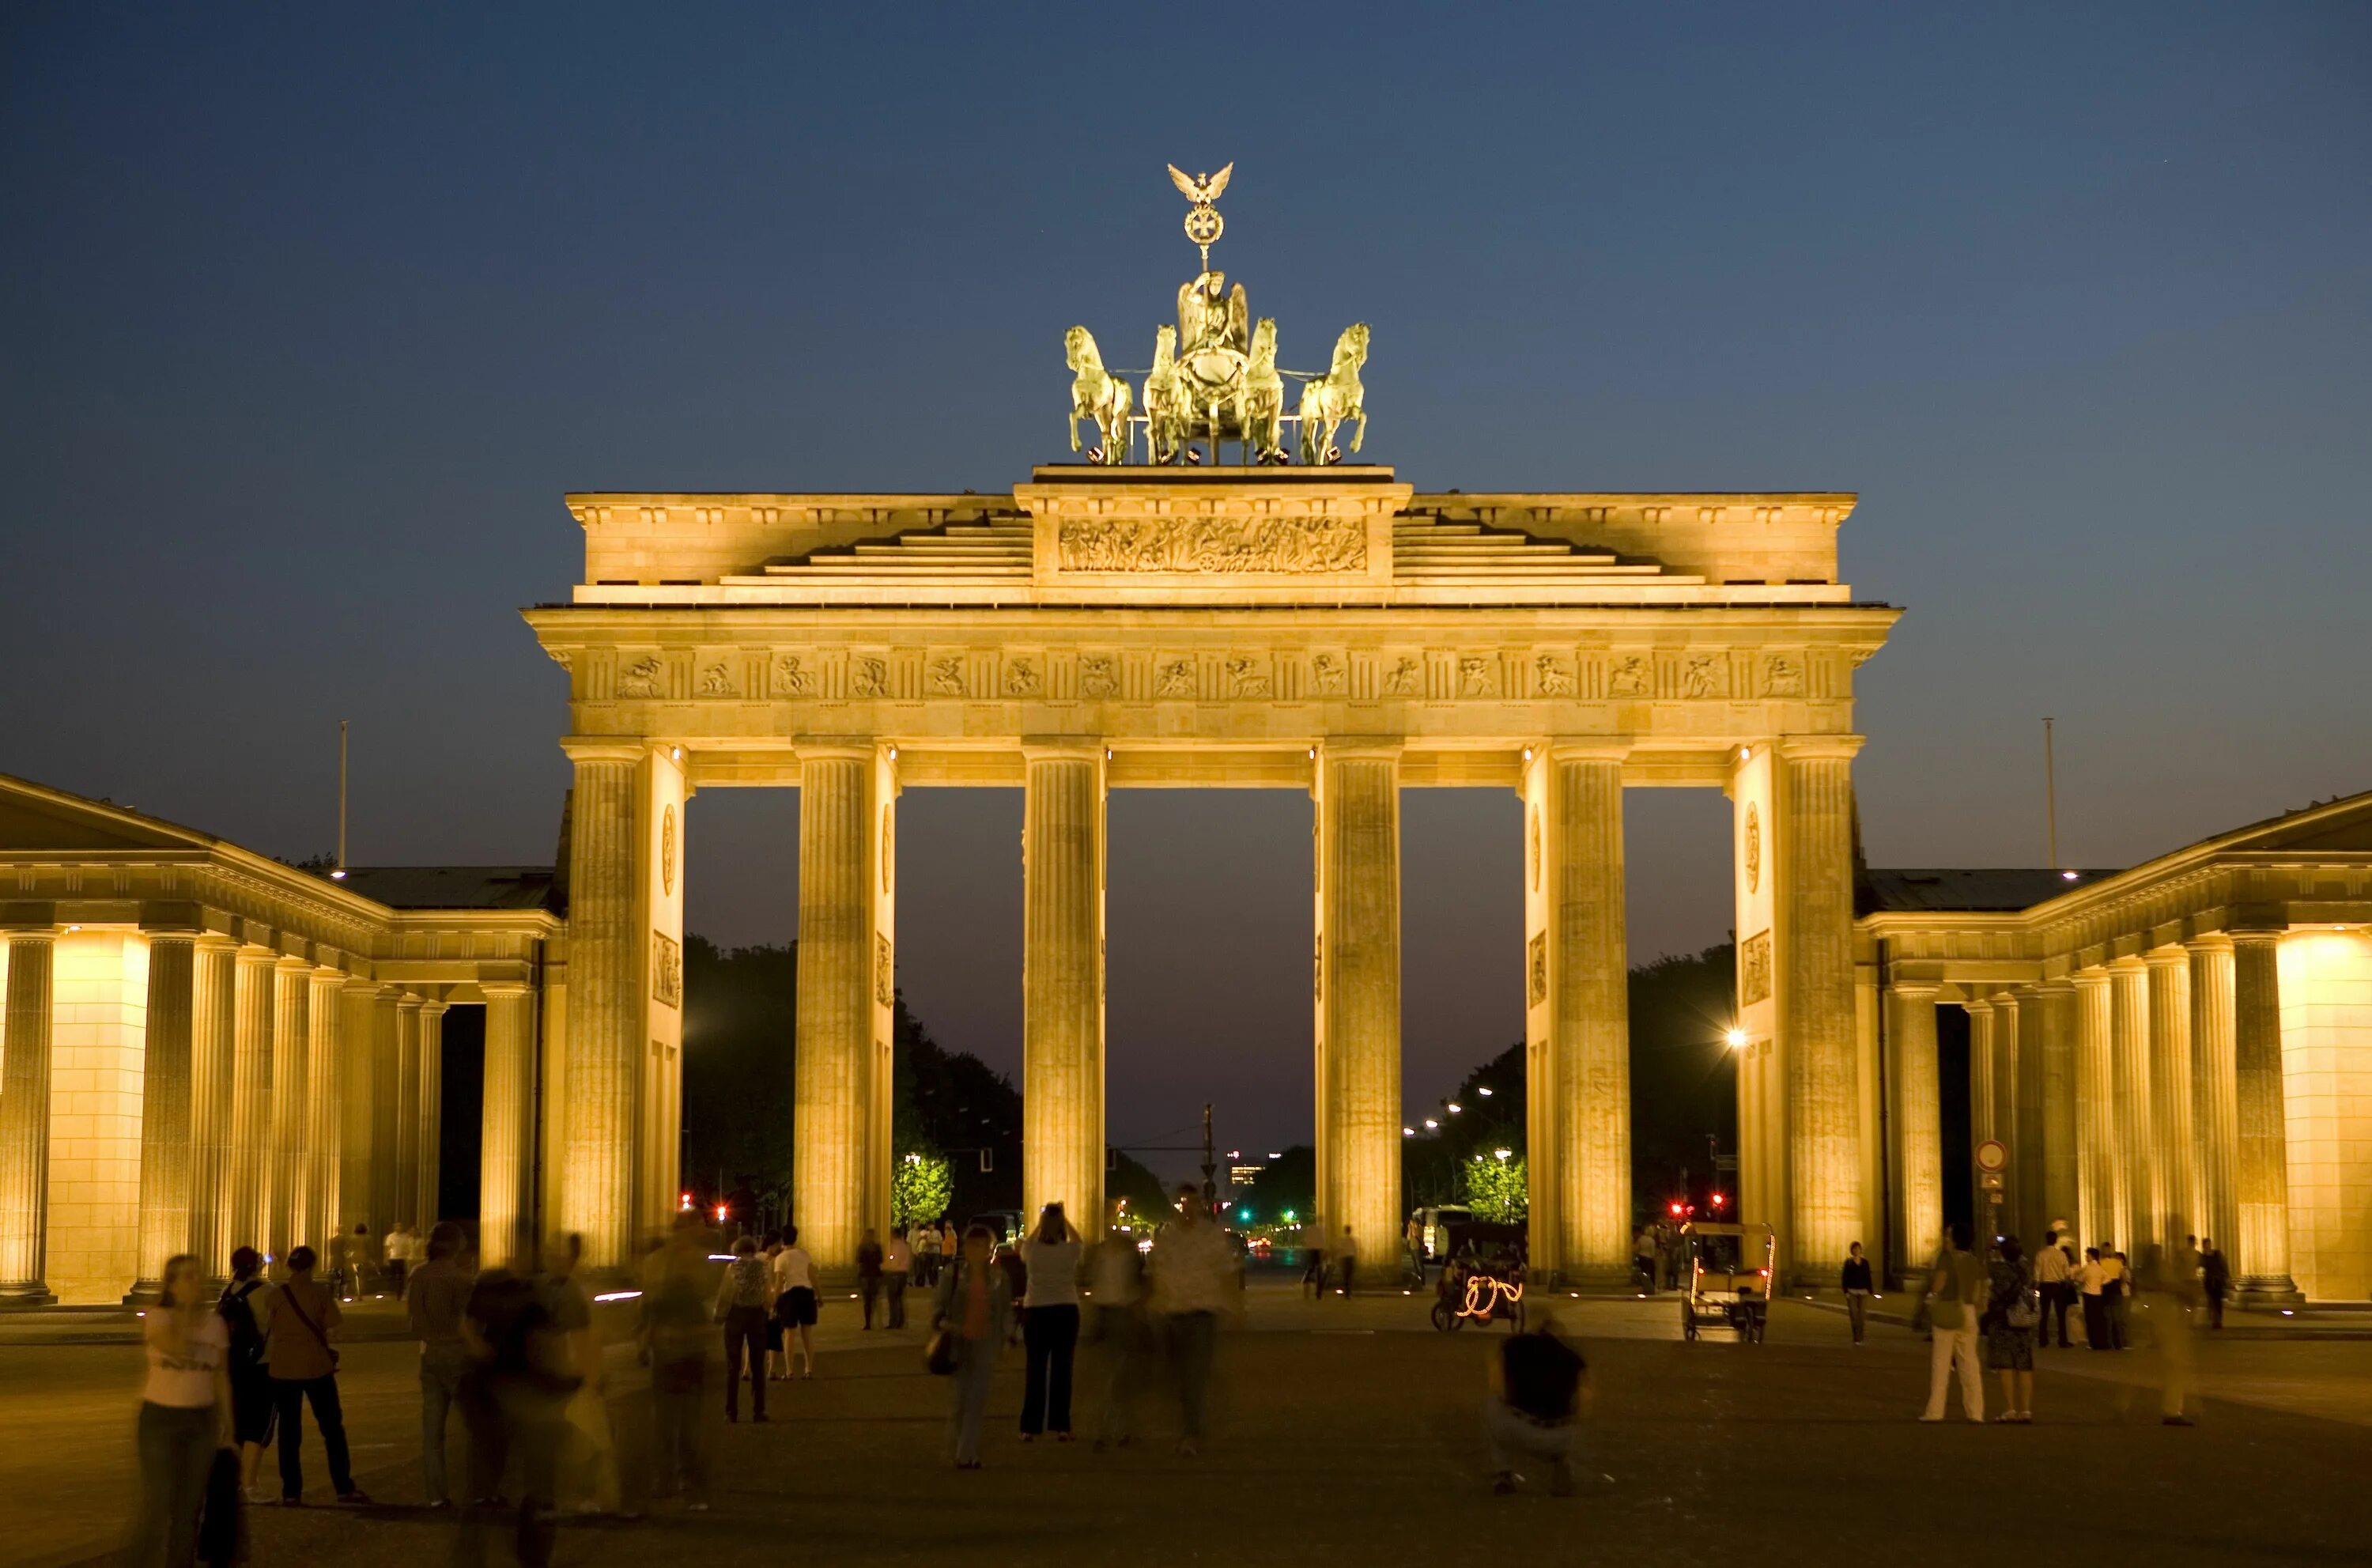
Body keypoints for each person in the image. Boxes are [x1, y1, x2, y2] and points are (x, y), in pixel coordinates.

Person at [456, 1264, 577, 1566]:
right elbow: (549, 1345)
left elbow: (467, 1328)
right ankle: (533, 1549)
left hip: (491, 1391)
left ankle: (473, 1547)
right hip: (525, 1393)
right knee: (537, 1476)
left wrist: (482, 1353)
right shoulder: (535, 1302)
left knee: (487, 1474)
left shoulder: (486, 1295)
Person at [125, 1253, 233, 1568]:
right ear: (171, 1285)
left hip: (201, 1420)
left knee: (189, 1509)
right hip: (160, 1418)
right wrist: (186, 1309)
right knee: (158, 1505)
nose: (196, 1282)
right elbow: (176, 1347)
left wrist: (230, 1427)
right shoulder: (158, 1317)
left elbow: (222, 1376)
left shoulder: (215, 1324)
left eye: (198, 1275)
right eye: (187, 1276)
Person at [258, 1245, 368, 1504]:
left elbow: (269, 1325)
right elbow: (333, 1328)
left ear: (290, 1267)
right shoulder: (319, 1292)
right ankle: (343, 1486)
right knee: (332, 1429)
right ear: (311, 1266)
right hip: (315, 1367)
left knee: (289, 1431)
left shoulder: (276, 1295)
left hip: (283, 1368)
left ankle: (291, 1492)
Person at [1149, 1183, 1241, 1457]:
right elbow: (1156, 1272)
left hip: (1202, 1315)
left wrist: (1235, 1305)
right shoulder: (1167, 1238)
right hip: (1172, 1316)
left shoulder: (1212, 1236)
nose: (1186, 1206)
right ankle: (1190, 1424)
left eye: (1190, 1201)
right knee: (1176, 1377)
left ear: (1199, 1204)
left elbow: (1227, 1273)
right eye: (1181, 1201)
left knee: (1193, 1377)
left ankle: (1191, 1432)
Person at [540, 1232, 618, 1515]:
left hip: (566, 1374)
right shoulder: (572, 1288)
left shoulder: (558, 1288)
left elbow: (584, 1337)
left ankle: (578, 1495)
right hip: (568, 1375)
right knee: (587, 1439)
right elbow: (588, 1337)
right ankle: (587, 1496)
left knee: (578, 1439)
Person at [641, 1215, 712, 1510]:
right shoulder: (669, 1261)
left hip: (685, 1348)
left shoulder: (685, 1260)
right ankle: (673, 1478)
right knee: (670, 1421)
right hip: (674, 1347)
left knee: (685, 1422)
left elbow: (699, 1298)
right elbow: (650, 1303)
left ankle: (683, 1480)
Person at [405, 1220, 474, 1509]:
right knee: (474, 1426)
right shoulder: (462, 1279)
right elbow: (469, 1323)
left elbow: (414, 1323)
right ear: (457, 1246)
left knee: (432, 1432)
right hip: (458, 1354)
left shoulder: (419, 1276)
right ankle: (478, 1490)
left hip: (430, 1353)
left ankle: (436, 1495)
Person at [931, 1223, 1013, 1469]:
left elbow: (1005, 1310)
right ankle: (958, 1447)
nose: (977, 1250)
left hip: (985, 1344)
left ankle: (966, 1453)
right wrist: (950, 1327)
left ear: (990, 1250)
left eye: (982, 1246)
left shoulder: (1000, 1277)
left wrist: (1007, 1337)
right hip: (958, 1343)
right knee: (959, 1401)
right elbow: (938, 1310)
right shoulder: (952, 1274)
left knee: (976, 1400)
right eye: (972, 1245)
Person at [1486, 1317, 1588, 1496]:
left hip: (1520, 1429)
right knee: (1573, 1422)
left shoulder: (1514, 1347)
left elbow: (1497, 1387)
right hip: (1560, 1436)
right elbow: (1586, 1403)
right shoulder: (1573, 1358)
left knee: (1493, 1404)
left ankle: (1503, 1473)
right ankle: (1561, 1463)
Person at [1017, 1202, 1083, 1441]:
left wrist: (1041, 1222)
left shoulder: (1032, 1250)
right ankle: (1061, 1425)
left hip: (1036, 1312)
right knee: (1062, 1370)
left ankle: (1029, 1427)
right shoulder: (1069, 1251)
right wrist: (1064, 1219)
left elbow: (1026, 1244)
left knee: (1035, 1370)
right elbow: (1079, 1241)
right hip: (1066, 1311)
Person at [216, 1246, 274, 1503]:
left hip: (233, 1363)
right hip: (261, 1364)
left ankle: (229, 1481)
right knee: (259, 1425)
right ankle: (250, 1483)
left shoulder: (227, 1291)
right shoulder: (267, 1292)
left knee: (236, 1423)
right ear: (258, 1266)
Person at [1918, 1222, 1985, 1423]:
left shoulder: (1946, 1259)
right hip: (1969, 1312)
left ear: (1955, 1240)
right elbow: (1980, 1292)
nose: (1945, 1239)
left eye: (1948, 1236)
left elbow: (1939, 1283)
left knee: (1941, 1364)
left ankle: (1935, 1411)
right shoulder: (1974, 1261)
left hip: (1948, 1310)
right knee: (1970, 1364)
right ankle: (1975, 1412)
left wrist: (1931, 1298)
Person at [2147, 1232, 2202, 1426]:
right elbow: (2170, 1290)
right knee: (2176, 1367)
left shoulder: (2157, 1274)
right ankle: (2172, 1411)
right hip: (2169, 1328)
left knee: (2175, 1367)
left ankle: (2173, 1409)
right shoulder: (2162, 1274)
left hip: (2167, 1327)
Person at [716, 1235, 772, 1422]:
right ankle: (759, 1410)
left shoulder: (734, 1267)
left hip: (736, 1316)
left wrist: (720, 1315)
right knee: (758, 1365)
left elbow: (726, 1293)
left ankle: (731, 1411)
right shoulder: (763, 1267)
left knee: (733, 1366)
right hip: (756, 1315)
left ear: (737, 1250)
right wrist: (767, 1309)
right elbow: (767, 1293)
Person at [1982, 1235, 2036, 1422]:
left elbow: (1985, 1271)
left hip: (2002, 1320)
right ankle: (2026, 1410)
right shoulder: (2025, 1269)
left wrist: (1989, 1251)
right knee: (2025, 1366)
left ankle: (2010, 1409)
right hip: (2022, 1320)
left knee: (2006, 1366)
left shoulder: (1997, 1270)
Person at [772, 1224, 818, 1377]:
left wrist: (774, 1301)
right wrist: (820, 1296)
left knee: (789, 1334)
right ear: (796, 1238)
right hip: (807, 1293)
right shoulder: (805, 1255)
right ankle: (809, 1369)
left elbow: (779, 1283)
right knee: (807, 1333)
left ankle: (789, 1370)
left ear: (782, 1240)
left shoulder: (780, 1258)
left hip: (790, 1295)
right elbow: (812, 1276)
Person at [2034, 1229, 2076, 1347]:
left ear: (2046, 1240)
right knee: (2061, 1314)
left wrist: (2036, 1288)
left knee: (2044, 1313)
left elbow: (2037, 1272)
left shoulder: (2040, 1254)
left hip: (2045, 1285)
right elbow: (2067, 1272)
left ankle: (2043, 1340)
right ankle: (2062, 1340)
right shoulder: (2061, 1254)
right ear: (2056, 1240)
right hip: (2058, 1286)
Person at [1840, 1242, 1875, 1345]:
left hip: (1863, 1292)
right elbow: (1844, 1278)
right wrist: (1845, 1291)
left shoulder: (1865, 1263)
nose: (1857, 1251)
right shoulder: (1849, 1263)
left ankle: (1861, 1336)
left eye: (1858, 1249)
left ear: (1861, 1250)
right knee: (1854, 1314)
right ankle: (1856, 1336)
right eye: (1855, 1249)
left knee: (1862, 1315)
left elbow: (1868, 1277)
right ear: (1852, 1251)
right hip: (1852, 1292)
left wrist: (1871, 1290)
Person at [2076, 1247, 2112, 1350]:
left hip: (2088, 1293)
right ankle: (2100, 1341)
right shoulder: (2100, 1268)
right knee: (2098, 1319)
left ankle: (2093, 1342)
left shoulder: (2087, 1268)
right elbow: (2108, 1278)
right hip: (2098, 1294)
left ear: (2091, 1256)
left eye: (2087, 1255)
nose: (2086, 1257)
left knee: (2090, 1319)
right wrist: (2100, 1284)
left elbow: (2080, 1278)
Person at [884, 1226, 913, 1330]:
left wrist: (888, 1267)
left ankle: (894, 1322)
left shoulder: (895, 1245)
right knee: (900, 1299)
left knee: (893, 1300)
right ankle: (901, 1321)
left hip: (895, 1273)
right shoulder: (906, 1245)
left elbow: (893, 1259)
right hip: (903, 1273)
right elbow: (909, 1260)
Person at [856, 1227, 885, 1330]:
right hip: (874, 1274)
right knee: (874, 1299)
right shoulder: (877, 1247)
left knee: (867, 1300)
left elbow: (858, 1260)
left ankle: (868, 1322)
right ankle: (875, 1321)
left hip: (865, 1274)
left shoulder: (862, 1247)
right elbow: (881, 1260)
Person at [2200, 1237, 2230, 1330]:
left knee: (2218, 1302)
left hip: (2217, 1281)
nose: (2208, 1246)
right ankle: (2213, 1321)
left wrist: (2226, 1276)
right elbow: (2201, 1267)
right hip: (2209, 1281)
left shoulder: (2217, 1254)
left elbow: (2223, 1265)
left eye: (2209, 1244)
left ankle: (2218, 1321)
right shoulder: (2203, 1257)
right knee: (2211, 1301)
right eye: (2206, 1244)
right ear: (2204, 1246)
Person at [2104, 1250, 2132, 1349]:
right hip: (2119, 1296)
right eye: (2116, 1258)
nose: (2117, 1260)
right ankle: (2119, 1341)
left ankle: (2126, 1342)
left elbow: (2126, 1281)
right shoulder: (2118, 1269)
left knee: (2123, 1320)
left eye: (2119, 1258)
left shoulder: (2125, 1270)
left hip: (2125, 1295)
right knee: (2117, 1319)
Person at [1335, 1223, 1358, 1297]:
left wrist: (1338, 1259)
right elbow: (1355, 1250)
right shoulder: (1352, 1240)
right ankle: (1349, 1292)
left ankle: (1347, 1292)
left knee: (1345, 1276)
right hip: (1350, 1259)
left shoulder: (1343, 1240)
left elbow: (1340, 1250)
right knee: (1350, 1276)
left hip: (1345, 1259)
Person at [1634, 1227, 1659, 1295]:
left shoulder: (1641, 1239)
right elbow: (1652, 1252)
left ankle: (1643, 1287)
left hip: (1641, 1257)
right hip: (1648, 1258)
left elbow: (1637, 1248)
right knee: (1650, 1274)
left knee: (1643, 1273)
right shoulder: (1652, 1241)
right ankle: (1650, 1288)